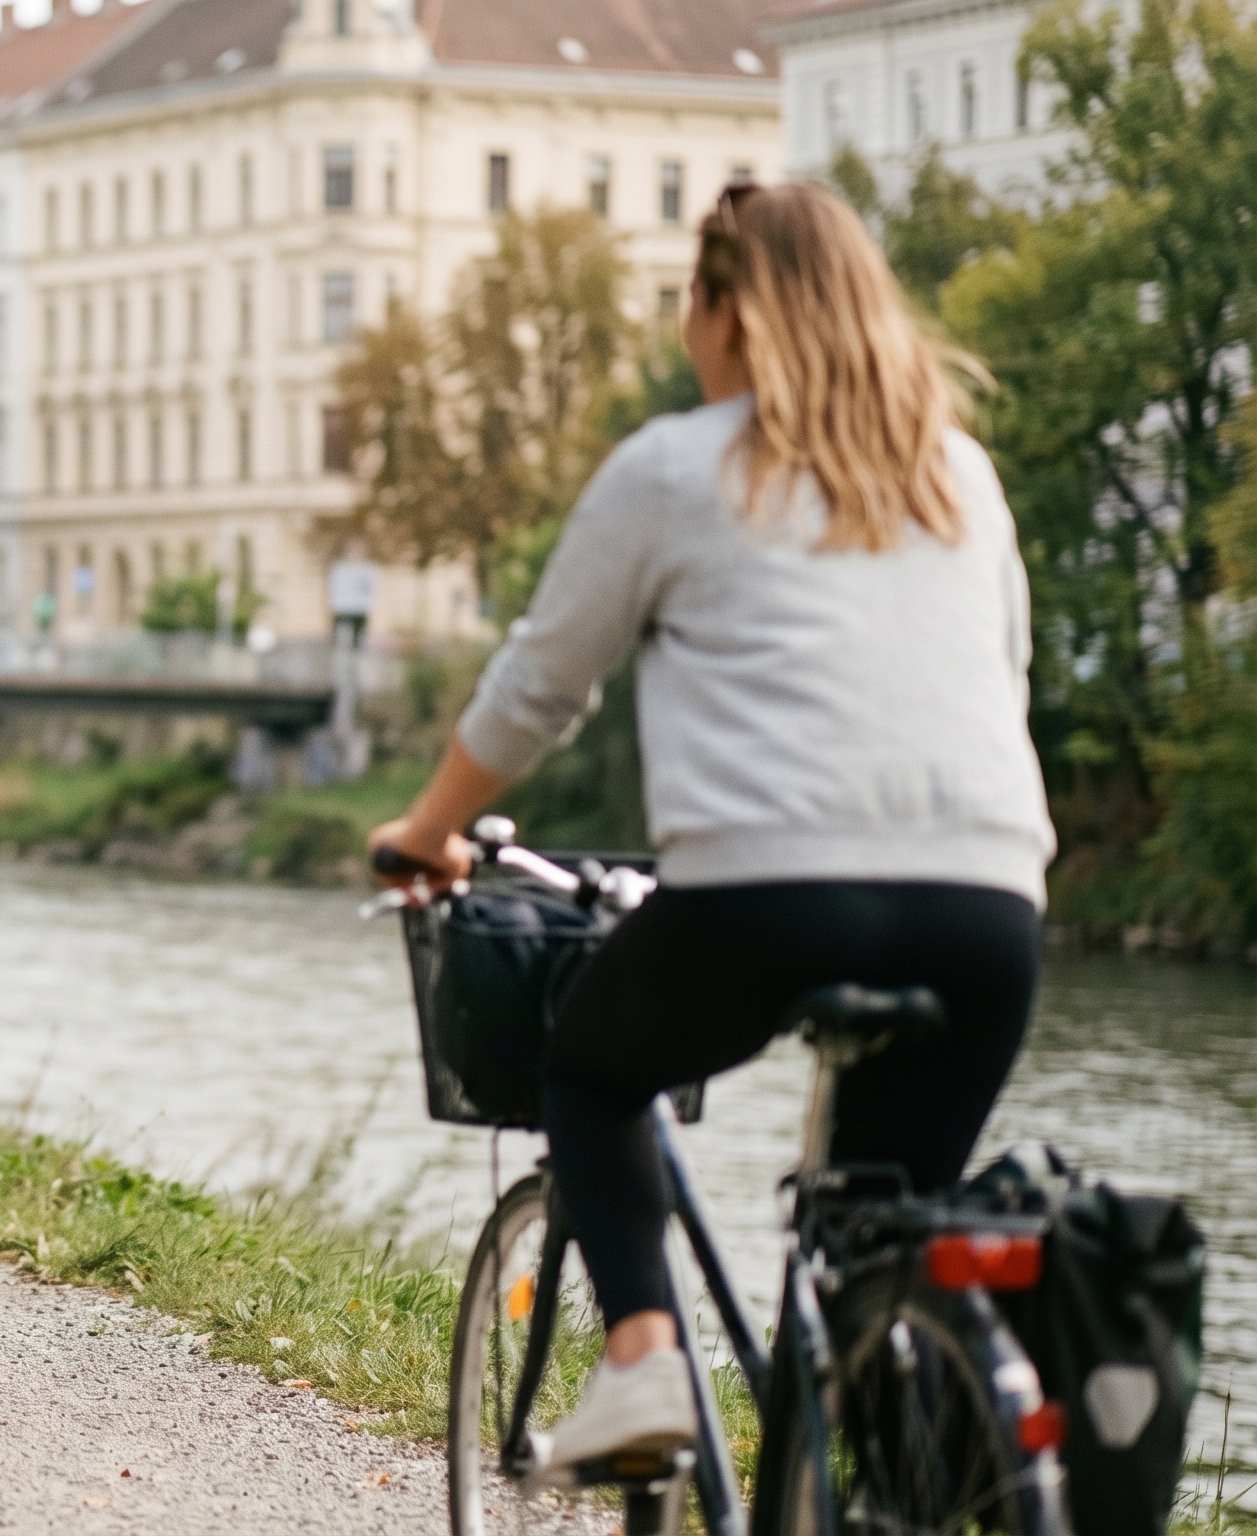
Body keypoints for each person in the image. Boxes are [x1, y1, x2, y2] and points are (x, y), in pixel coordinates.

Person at [369, 183, 1053, 1468]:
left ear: (733, 314)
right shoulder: (960, 472)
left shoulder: (679, 468)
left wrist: (424, 831)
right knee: (877, 1251)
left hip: (773, 892)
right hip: (988, 909)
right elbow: (1002, 680)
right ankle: (916, 1465)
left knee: (591, 1062)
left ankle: (642, 1363)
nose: (685, 322)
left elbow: (538, 689)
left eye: (692, 293)